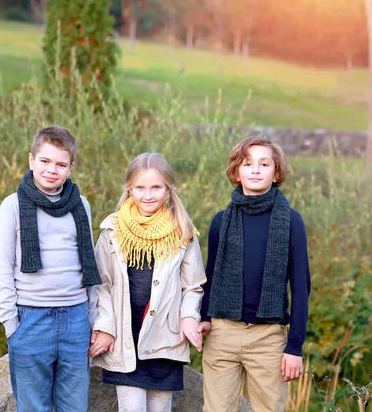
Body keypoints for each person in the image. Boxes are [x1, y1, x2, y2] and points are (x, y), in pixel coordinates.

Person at [0, 125, 101, 412]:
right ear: (31, 160)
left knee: (75, 406)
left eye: (61, 164)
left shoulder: (81, 205)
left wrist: (91, 317)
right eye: (45, 161)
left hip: (75, 320)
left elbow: (89, 266)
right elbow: (0, 268)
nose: (52, 169)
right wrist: (11, 325)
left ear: (71, 167)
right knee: (33, 407)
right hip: (30, 319)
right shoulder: (12, 206)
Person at [199, 136, 311, 412]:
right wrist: (202, 318)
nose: (256, 169)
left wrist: (295, 346)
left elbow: (301, 286)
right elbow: (210, 277)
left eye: (264, 163)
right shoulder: (220, 221)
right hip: (223, 332)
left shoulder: (291, 221)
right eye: (247, 163)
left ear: (277, 173)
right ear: (236, 172)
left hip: (268, 338)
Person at [89, 152, 206, 412]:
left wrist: (189, 317)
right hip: (124, 337)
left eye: (156, 187)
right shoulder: (112, 231)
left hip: (165, 337)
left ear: (168, 189)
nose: (148, 195)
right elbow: (101, 284)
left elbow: (193, 285)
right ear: (129, 188)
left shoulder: (183, 232)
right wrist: (105, 327)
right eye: (140, 187)